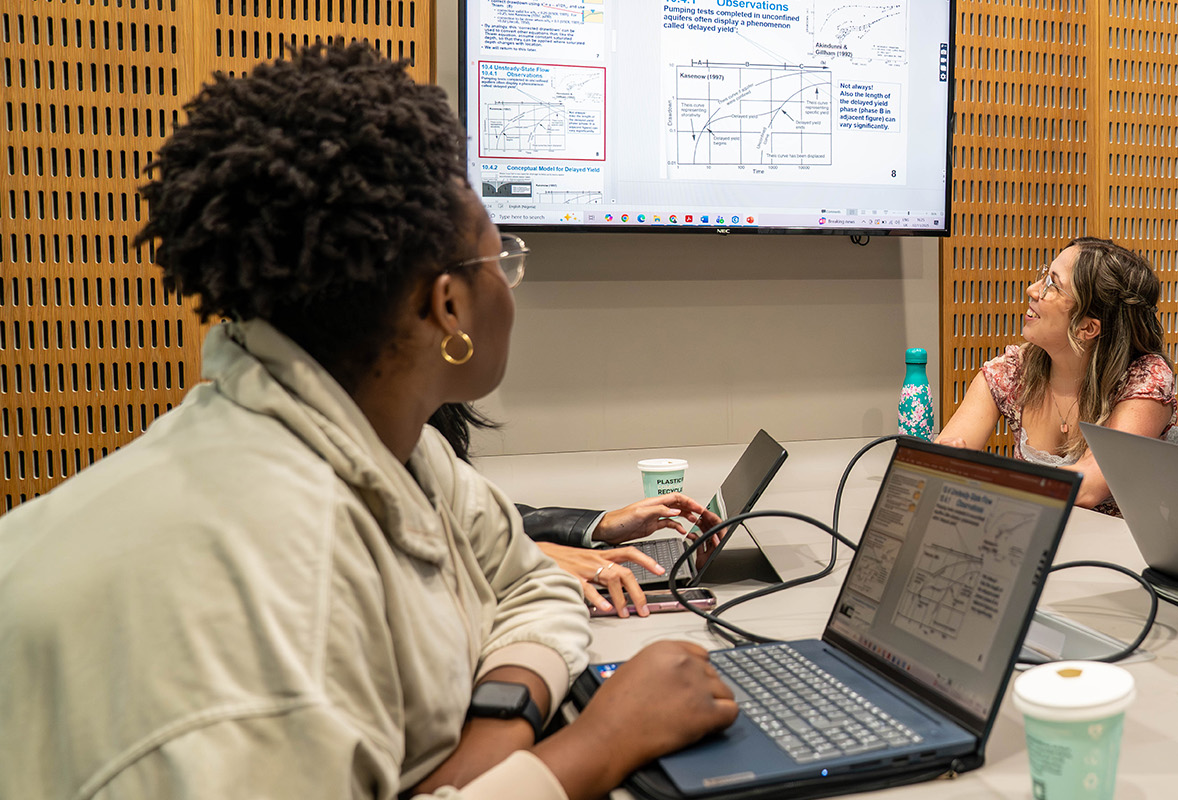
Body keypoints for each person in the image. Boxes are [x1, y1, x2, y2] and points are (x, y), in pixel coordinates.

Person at [0, 42, 735, 799]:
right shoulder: (263, 603)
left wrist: (495, 735)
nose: (511, 289)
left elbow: (526, 586)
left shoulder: (390, 447)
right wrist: (597, 746)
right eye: (503, 261)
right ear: (446, 306)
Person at [937, 237, 1177, 512]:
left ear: (1087, 328)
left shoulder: (1146, 380)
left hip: (1115, 549)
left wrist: (984, 478)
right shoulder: (1013, 370)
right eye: (1043, 276)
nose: (1032, 290)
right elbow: (943, 461)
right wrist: (950, 457)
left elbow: (1087, 487)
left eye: (1053, 285)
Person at [428, 403, 723, 618]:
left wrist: (597, 525)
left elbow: (458, 517)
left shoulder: (426, 434)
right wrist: (524, 556)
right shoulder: (410, 441)